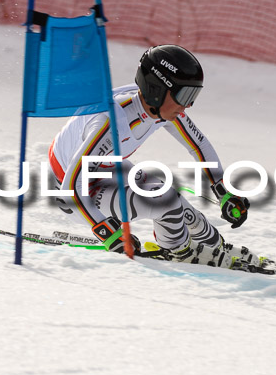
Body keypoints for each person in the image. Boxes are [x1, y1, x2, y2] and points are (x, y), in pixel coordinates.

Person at [49, 44, 261, 269]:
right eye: (184, 94)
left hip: (105, 169)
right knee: (165, 200)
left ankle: (216, 247)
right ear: (157, 89)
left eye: (193, 95)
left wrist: (223, 191)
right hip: (73, 191)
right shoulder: (111, 123)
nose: (188, 104)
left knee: (186, 212)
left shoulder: (158, 107)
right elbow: (69, 189)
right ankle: (181, 253)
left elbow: (198, 145)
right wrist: (107, 233)